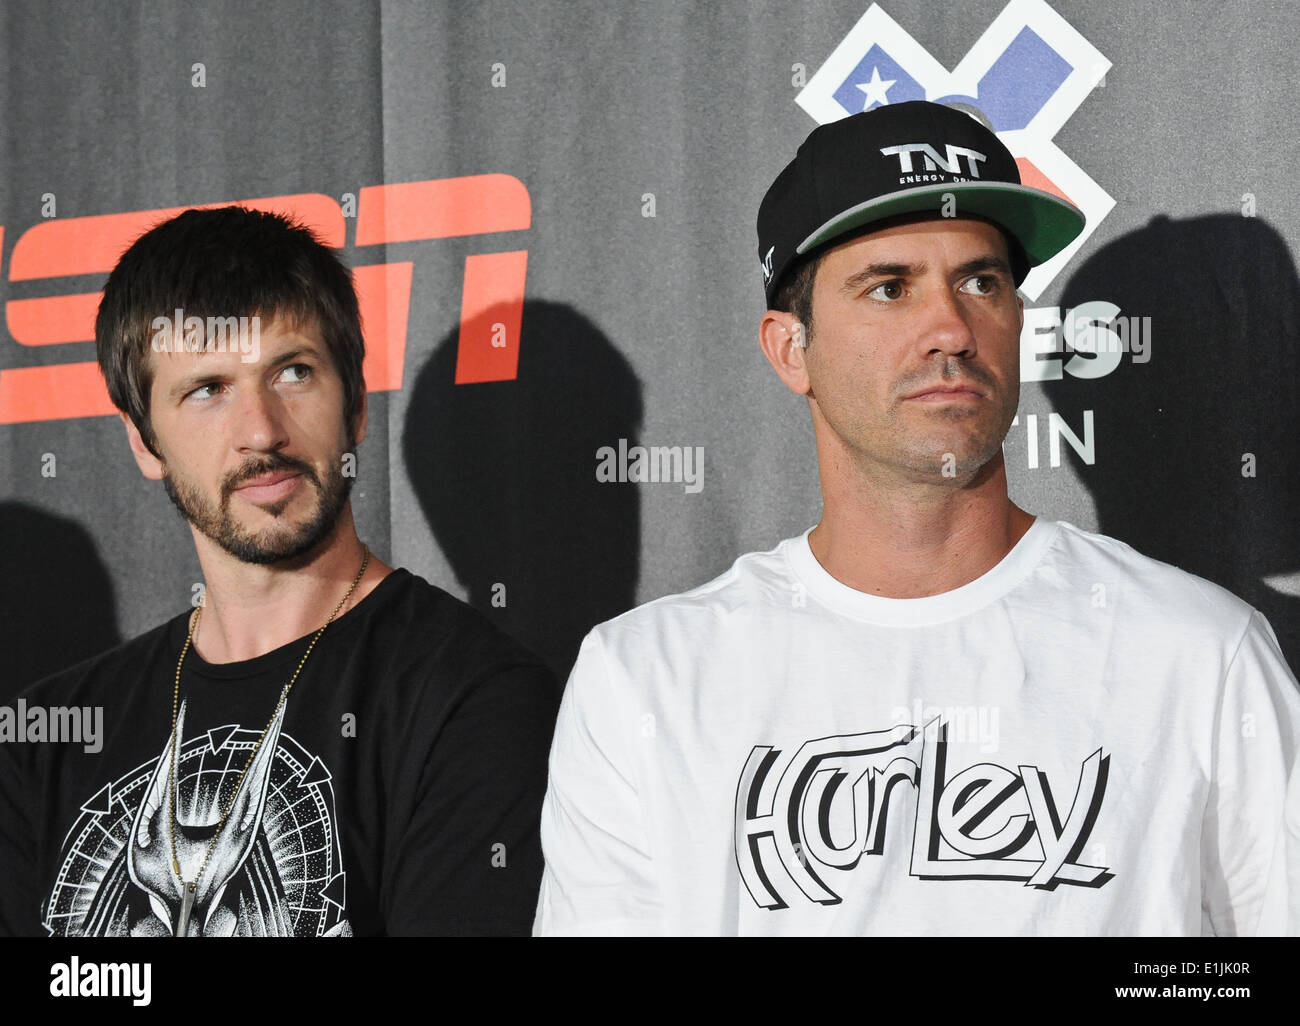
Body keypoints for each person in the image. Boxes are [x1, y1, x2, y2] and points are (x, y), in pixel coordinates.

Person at [533, 101, 1300, 936]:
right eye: (890, 287)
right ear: (793, 349)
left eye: (982, 281)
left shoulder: (1202, 653)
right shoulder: (644, 680)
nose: (951, 328)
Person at [0, 206, 559, 936]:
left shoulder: (474, 700)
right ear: (143, 440)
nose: (261, 431)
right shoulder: (46, 745)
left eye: (292, 372)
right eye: (208, 389)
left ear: (355, 401)